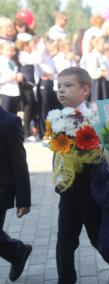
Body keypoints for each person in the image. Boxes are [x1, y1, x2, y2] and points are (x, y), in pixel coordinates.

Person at [54, 67, 109, 284]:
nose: (61, 90)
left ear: (85, 90)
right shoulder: (56, 118)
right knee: (65, 241)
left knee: (99, 240)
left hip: (93, 191)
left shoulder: (95, 118)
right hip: (68, 191)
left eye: (68, 86)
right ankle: (65, 280)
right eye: (59, 86)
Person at [0, 106, 32, 282]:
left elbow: (19, 162)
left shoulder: (10, 122)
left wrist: (23, 200)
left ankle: (17, 252)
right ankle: (17, 252)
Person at [0, 41, 23, 114]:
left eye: (12, 51)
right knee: (4, 115)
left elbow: (15, 75)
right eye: (8, 50)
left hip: (14, 92)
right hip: (4, 92)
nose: (10, 52)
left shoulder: (13, 62)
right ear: (1, 50)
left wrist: (19, 77)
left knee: (13, 115)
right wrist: (10, 77)